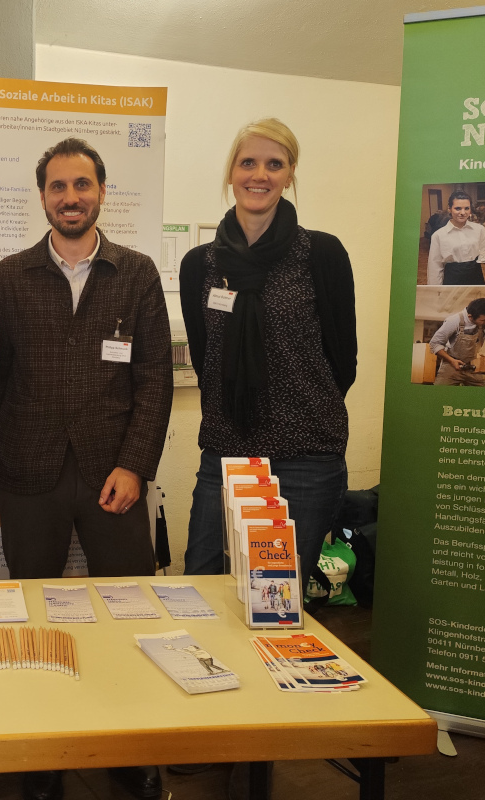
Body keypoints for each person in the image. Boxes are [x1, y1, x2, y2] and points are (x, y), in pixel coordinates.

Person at [0, 137, 172, 800]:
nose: (70, 197)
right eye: (58, 186)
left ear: (101, 191)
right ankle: (42, 757)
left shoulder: (138, 272)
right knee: (35, 618)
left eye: (82, 185)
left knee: (131, 612)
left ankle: (130, 751)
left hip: (110, 475)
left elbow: (154, 380)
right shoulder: (10, 275)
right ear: (42, 196)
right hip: (28, 471)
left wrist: (135, 465)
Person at [180, 118, 356, 597]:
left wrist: (297, 402)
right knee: (202, 587)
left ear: (290, 173)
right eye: (248, 162)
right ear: (232, 172)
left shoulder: (321, 253)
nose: (260, 174)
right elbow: (205, 356)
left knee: (277, 600)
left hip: (306, 455)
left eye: (274, 164)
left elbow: (344, 358)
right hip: (227, 449)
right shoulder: (200, 264)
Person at [427, 190, 485, 285]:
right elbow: (435, 267)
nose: (463, 212)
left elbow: (484, 255)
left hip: (476, 277)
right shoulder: (439, 235)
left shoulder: (479, 229)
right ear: (449, 209)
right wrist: (435, 291)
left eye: (466, 208)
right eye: (458, 208)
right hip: (453, 279)